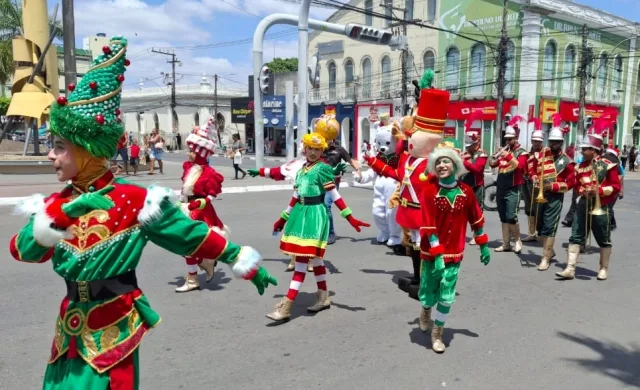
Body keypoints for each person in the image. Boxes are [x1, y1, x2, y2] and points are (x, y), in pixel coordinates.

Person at [8, 35, 277, 390]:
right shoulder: (58, 203)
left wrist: (241, 260)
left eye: (60, 147)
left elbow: (188, 234)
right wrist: (64, 213)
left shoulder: (134, 200)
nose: (50, 156)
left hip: (113, 330)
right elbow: (23, 251)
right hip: (69, 328)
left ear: (88, 150)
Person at [266, 132, 369, 322]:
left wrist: (350, 217)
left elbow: (334, 195)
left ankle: (287, 305)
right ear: (304, 149)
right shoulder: (302, 170)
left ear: (322, 151)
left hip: (316, 215)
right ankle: (323, 297)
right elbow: (296, 196)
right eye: (309, 148)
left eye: (316, 149)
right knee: (316, 260)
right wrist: (283, 217)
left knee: (302, 261)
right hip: (300, 214)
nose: (312, 152)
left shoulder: (322, 168)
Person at [364, 69, 448, 299]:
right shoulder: (409, 160)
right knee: (412, 247)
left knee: (424, 248)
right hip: (409, 211)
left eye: (413, 137)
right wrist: (372, 161)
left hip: (424, 214)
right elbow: (394, 173)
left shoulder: (434, 162)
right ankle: (417, 277)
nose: (408, 140)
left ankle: (426, 281)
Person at [417, 139, 490, 353]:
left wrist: (483, 246)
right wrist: (437, 254)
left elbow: (476, 220)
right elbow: (428, 226)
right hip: (431, 251)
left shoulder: (467, 191)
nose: (442, 166)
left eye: (446, 161)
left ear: (455, 165)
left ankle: (437, 331)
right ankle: (426, 310)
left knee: (447, 293)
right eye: (438, 162)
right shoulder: (429, 192)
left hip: (455, 251)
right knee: (428, 290)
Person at [556, 120, 621, 281]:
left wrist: (598, 191)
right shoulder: (579, 167)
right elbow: (575, 185)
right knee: (576, 235)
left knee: (603, 238)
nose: (582, 152)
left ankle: (603, 268)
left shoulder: (607, 166)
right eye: (583, 149)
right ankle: (570, 268)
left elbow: (615, 187)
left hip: (601, 206)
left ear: (594, 150)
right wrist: (581, 190)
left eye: (585, 149)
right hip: (583, 205)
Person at [175, 124, 227, 292]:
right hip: (186, 207)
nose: (188, 153)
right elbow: (185, 188)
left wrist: (202, 203)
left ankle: (194, 277)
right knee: (184, 245)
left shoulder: (209, 173)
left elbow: (212, 194)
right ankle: (203, 264)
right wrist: (180, 201)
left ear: (199, 153)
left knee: (190, 244)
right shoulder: (188, 167)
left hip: (200, 211)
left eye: (191, 151)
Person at [530, 122, 576, 271]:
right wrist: (534, 177)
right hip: (539, 194)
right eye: (551, 141)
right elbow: (534, 169)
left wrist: (555, 186)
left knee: (549, 227)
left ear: (561, 142)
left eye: (557, 142)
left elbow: (571, 182)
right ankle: (550, 252)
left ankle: (545, 258)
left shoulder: (567, 161)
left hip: (555, 197)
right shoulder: (543, 154)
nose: (554, 144)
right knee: (539, 228)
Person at [314, 114, 361, 245]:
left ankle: (330, 233)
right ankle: (321, 231)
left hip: (333, 182)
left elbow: (351, 161)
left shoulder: (339, 150)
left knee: (327, 205)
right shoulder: (318, 149)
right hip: (318, 183)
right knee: (319, 207)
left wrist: (358, 170)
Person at [488, 115, 529, 254]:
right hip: (501, 188)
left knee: (512, 215)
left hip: (513, 189)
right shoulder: (505, 153)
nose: (508, 141)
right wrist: (493, 157)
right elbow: (494, 164)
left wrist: (508, 155)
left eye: (510, 139)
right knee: (503, 216)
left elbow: (520, 167)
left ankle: (517, 240)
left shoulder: (522, 152)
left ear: (516, 138)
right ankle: (506, 243)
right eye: (506, 139)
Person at [460, 112, 487, 246]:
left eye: (469, 146)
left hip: (477, 186)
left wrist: (464, 161)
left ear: (475, 144)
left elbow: (477, 169)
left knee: (477, 212)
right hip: (465, 186)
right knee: (463, 211)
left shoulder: (482, 154)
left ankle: (477, 235)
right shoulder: (468, 153)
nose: (468, 148)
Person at [522, 118, 544, 243]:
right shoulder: (528, 153)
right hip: (527, 182)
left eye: (538, 141)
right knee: (528, 208)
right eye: (534, 141)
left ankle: (539, 232)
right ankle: (531, 233)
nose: (536, 143)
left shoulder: (545, 154)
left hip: (539, 184)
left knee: (538, 208)